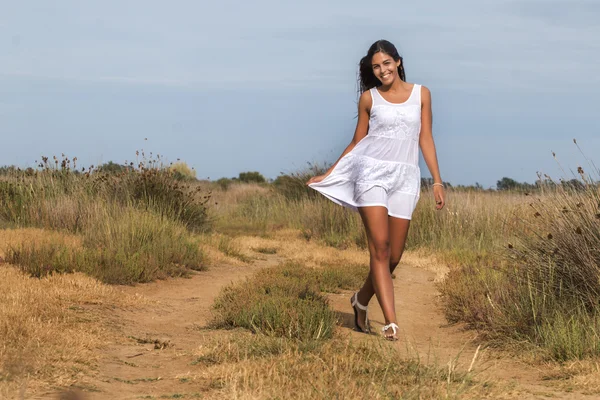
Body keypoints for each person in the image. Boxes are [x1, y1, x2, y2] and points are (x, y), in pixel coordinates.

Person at [306, 39, 445, 341]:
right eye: (376, 67)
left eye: (386, 63)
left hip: (405, 177)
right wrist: (329, 174)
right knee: (379, 248)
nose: (382, 70)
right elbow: (357, 142)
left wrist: (436, 180)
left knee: (394, 256)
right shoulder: (369, 99)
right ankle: (391, 322)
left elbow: (426, 138)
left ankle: (360, 300)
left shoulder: (421, 94)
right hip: (370, 174)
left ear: (398, 62)